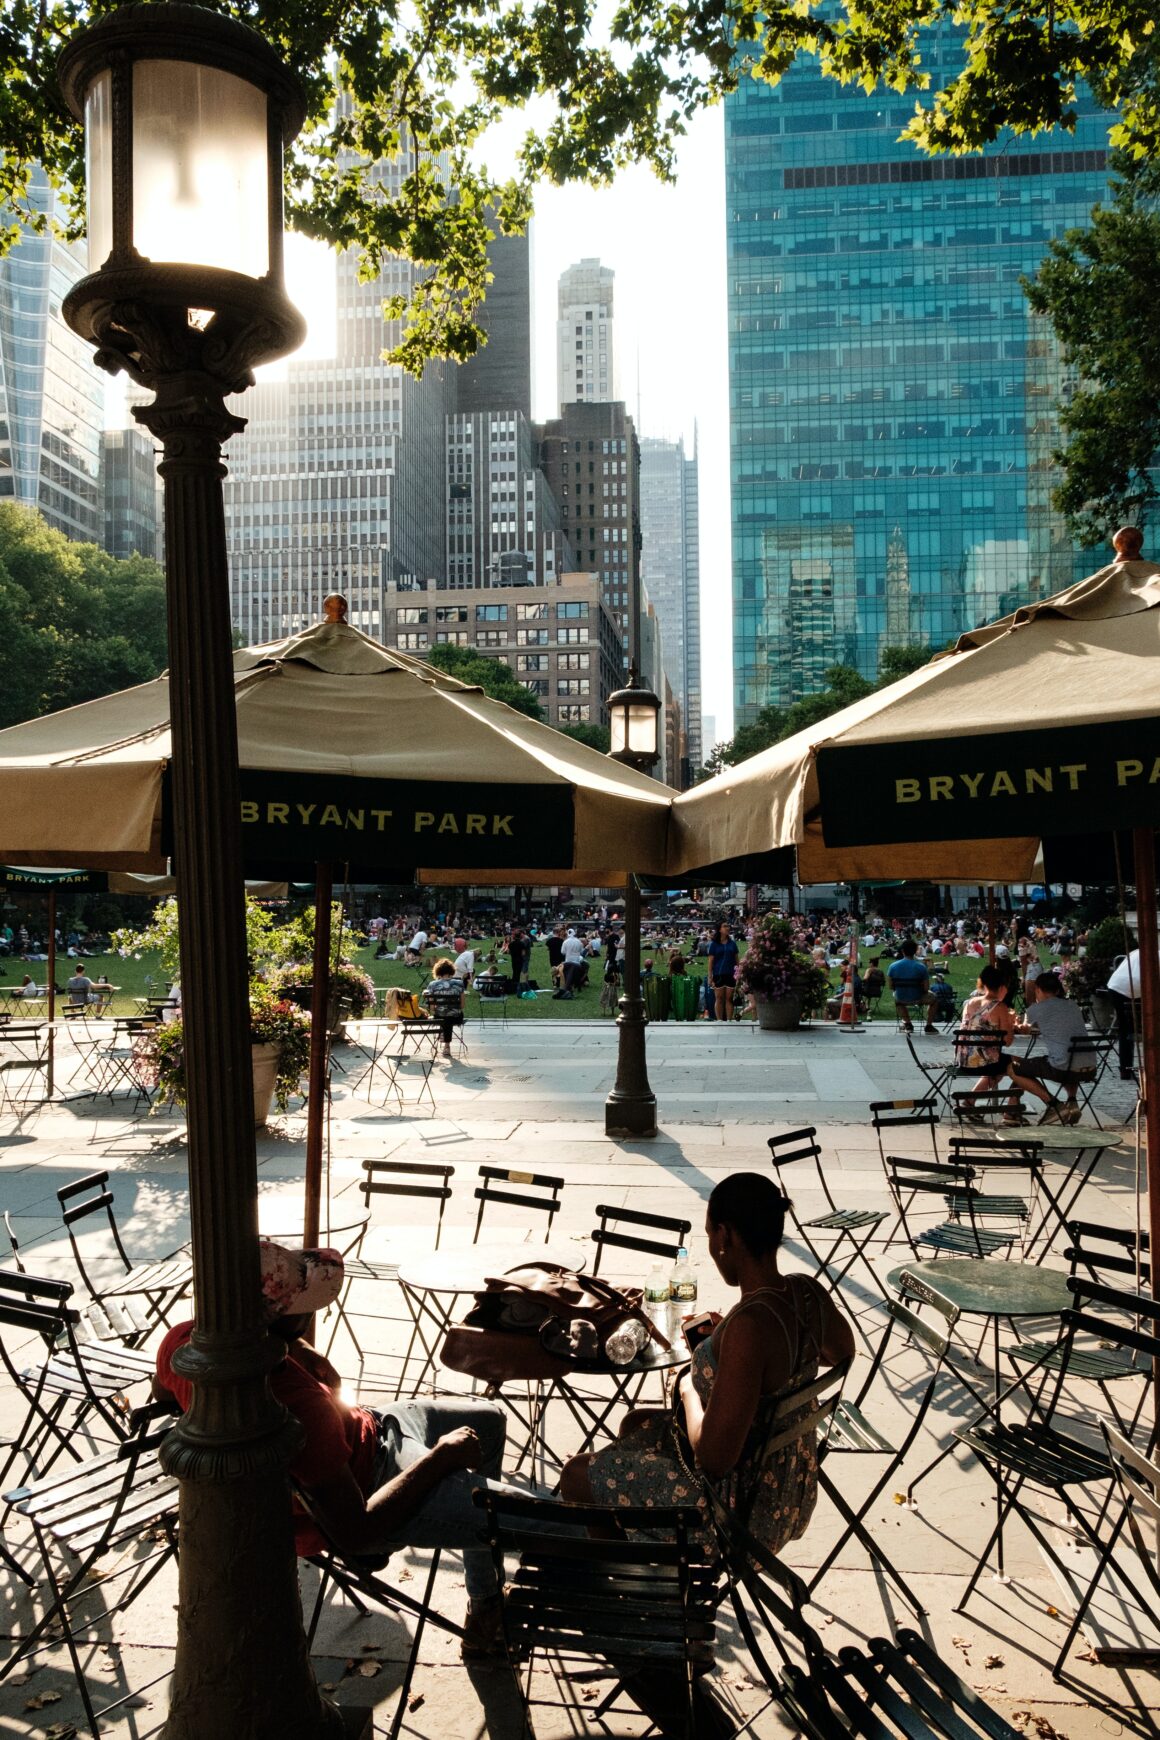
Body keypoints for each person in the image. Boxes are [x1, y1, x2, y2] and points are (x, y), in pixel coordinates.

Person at [154, 1243, 512, 1656]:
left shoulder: (184, 1343)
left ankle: (485, 1601)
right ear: (284, 1322)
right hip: (380, 1476)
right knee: (559, 1524)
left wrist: (295, 1351)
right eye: (305, 1311)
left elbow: (163, 1393)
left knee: (490, 1419)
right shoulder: (299, 1408)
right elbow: (357, 1533)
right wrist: (441, 1457)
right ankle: (510, 1581)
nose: (312, 1317)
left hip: (375, 1425)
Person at [560, 1172, 854, 1559]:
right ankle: (644, 1569)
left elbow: (714, 1459)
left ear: (725, 1236)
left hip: (737, 1512)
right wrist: (728, 1350)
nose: (714, 1248)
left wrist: (685, 1387)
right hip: (788, 1483)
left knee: (577, 1475)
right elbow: (841, 1353)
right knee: (636, 1424)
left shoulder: (749, 1325)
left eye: (710, 1235)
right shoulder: (806, 1292)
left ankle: (629, 1587)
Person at [1007, 971, 1095, 1125]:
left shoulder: (1037, 1008)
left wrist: (1015, 1024)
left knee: (1014, 1067)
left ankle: (1053, 1105)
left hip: (1063, 1068)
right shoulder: (1072, 1005)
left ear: (1038, 990)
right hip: (1089, 1066)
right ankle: (1072, 1102)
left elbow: (1025, 1029)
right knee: (1066, 1055)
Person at [955, 964, 1017, 1122]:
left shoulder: (970, 1002)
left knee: (999, 1066)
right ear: (1003, 987)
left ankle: (969, 1102)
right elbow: (1008, 1041)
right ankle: (1012, 1110)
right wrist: (1010, 1022)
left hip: (963, 1058)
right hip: (983, 1062)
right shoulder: (1000, 1007)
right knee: (1021, 1066)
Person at [1104, 947, 1156, 1080]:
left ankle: (1125, 1069)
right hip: (1128, 988)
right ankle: (1134, 1067)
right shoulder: (1153, 955)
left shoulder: (1142, 951)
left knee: (1125, 1030)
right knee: (1131, 1030)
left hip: (1116, 986)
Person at [886, 939, 938, 1034]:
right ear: (915, 951)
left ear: (902, 951)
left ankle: (908, 1023)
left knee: (897, 998)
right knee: (934, 999)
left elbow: (890, 986)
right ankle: (929, 1025)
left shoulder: (893, 966)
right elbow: (926, 988)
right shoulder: (921, 967)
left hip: (901, 997)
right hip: (918, 997)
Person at [423, 958, 465, 1059]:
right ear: (451, 971)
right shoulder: (459, 984)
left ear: (438, 971)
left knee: (443, 1016)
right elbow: (462, 1005)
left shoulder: (432, 985)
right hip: (456, 1016)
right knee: (448, 1017)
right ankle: (447, 1046)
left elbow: (432, 1008)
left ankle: (445, 1042)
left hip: (440, 1016)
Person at [707, 921, 739, 1023]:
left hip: (731, 974)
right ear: (720, 929)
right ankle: (719, 1020)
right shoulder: (714, 944)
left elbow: (737, 960)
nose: (727, 928)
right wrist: (710, 976)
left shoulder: (732, 944)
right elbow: (710, 961)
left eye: (728, 926)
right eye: (725, 926)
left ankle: (729, 1019)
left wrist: (739, 974)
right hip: (718, 974)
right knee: (719, 998)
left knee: (729, 998)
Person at [556, 928, 587, 999]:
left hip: (568, 961)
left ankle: (567, 988)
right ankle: (574, 987)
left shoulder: (565, 942)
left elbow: (562, 952)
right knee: (575, 974)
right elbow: (581, 951)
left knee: (567, 974)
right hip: (577, 962)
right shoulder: (579, 942)